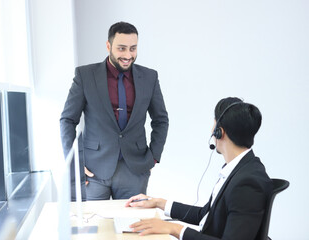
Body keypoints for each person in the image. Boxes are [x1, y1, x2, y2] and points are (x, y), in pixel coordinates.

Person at [125, 97, 273, 240]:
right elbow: (207, 215)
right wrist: (159, 203)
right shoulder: (239, 169)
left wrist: (174, 229)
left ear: (219, 132)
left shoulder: (247, 183)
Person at [60, 21, 169, 200]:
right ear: (108, 46)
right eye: (121, 48)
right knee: (93, 225)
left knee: (131, 226)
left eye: (133, 48)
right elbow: (67, 120)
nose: (128, 55)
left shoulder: (149, 77)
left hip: (135, 170)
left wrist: (154, 156)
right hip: (93, 171)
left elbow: (161, 120)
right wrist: (75, 163)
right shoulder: (85, 76)